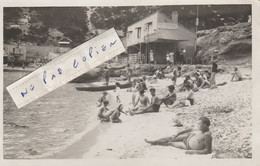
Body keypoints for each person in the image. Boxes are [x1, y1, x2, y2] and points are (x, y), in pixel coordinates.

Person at [145, 117, 212, 155]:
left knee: (170, 143)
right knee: (171, 138)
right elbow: (189, 129)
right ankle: (154, 141)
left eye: (199, 124)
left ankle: (157, 143)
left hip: (187, 146)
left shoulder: (207, 136)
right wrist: (178, 133)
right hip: (187, 136)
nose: (197, 125)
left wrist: (192, 152)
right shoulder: (201, 129)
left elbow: (208, 150)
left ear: (205, 125)